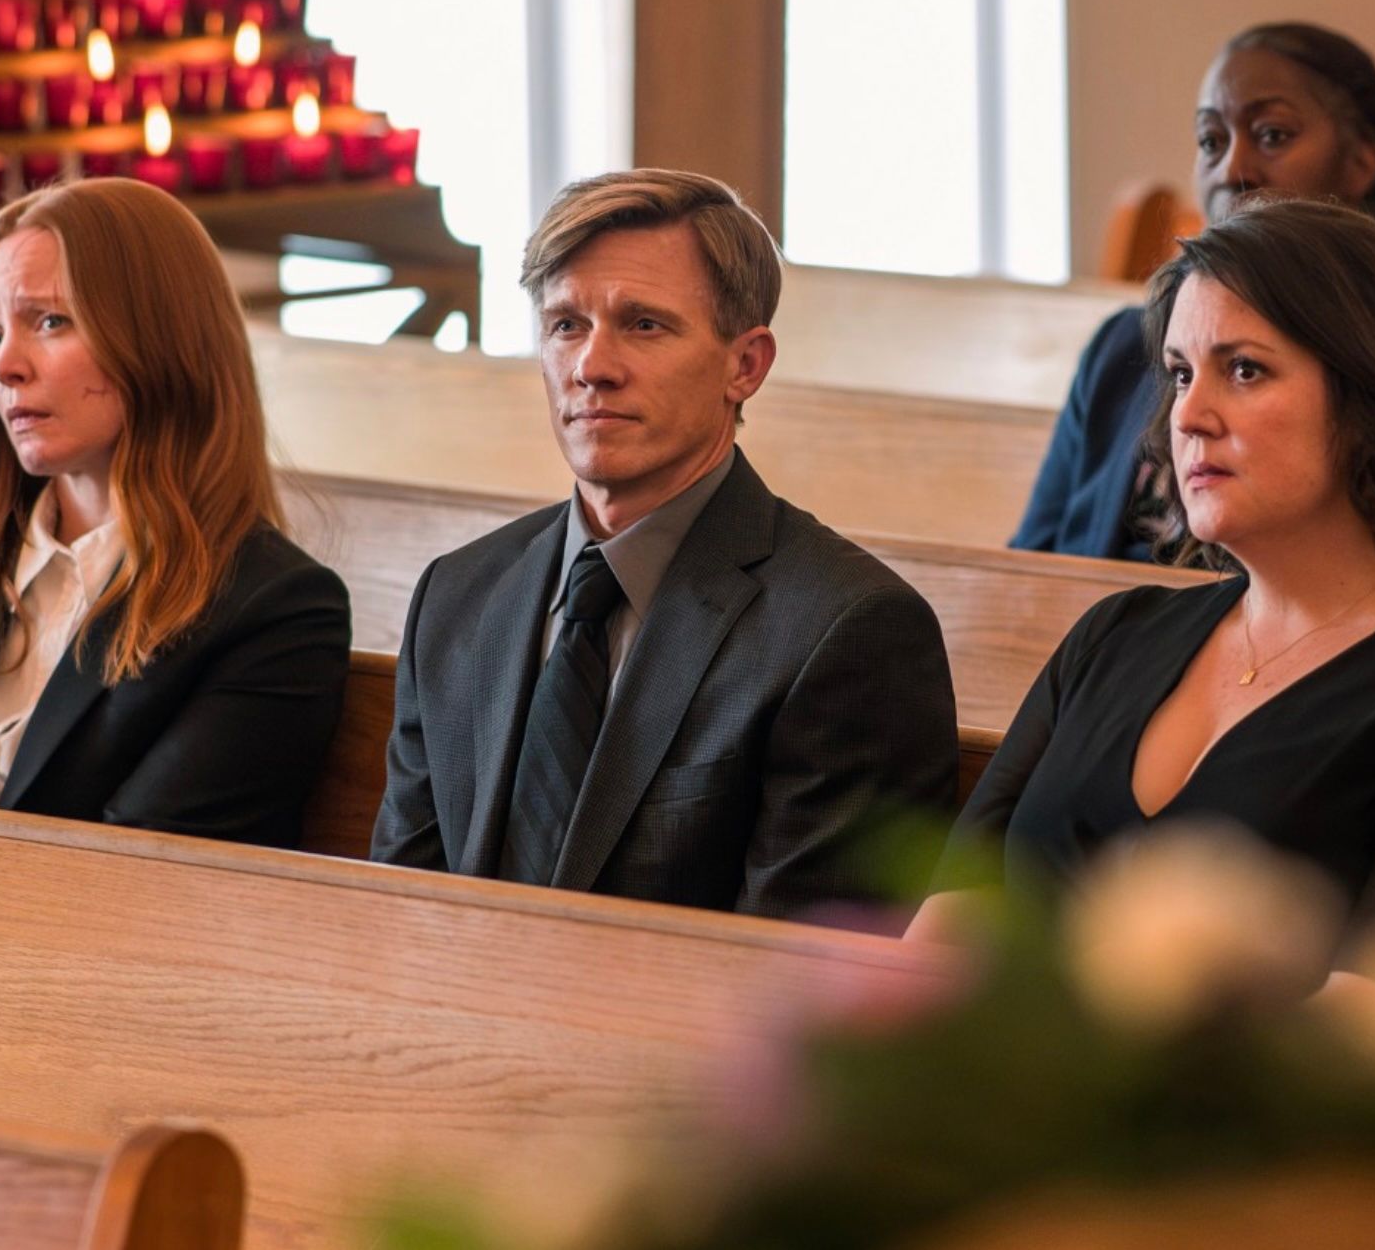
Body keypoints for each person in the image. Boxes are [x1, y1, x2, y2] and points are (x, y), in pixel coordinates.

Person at [933, 200, 1375, 936]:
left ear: (1371, 394)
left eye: (1246, 370)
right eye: (1180, 373)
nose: (1188, 415)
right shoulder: (1111, 638)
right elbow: (943, 926)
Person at [371, 168, 957, 918]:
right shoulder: (459, 595)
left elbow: (800, 999)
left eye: (644, 325)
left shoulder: (850, 631)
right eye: (565, 325)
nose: (592, 367)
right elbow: (397, 915)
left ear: (745, 365)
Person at [0, 180, 349, 846]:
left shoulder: (272, 607)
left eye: (50, 321)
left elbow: (137, 881)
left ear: (160, 336)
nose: (6, 366)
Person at [1014, 23, 1375, 562]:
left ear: (1362, 161)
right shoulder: (1121, 346)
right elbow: (1030, 566)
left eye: (1273, 135)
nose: (1233, 169)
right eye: (1212, 141)